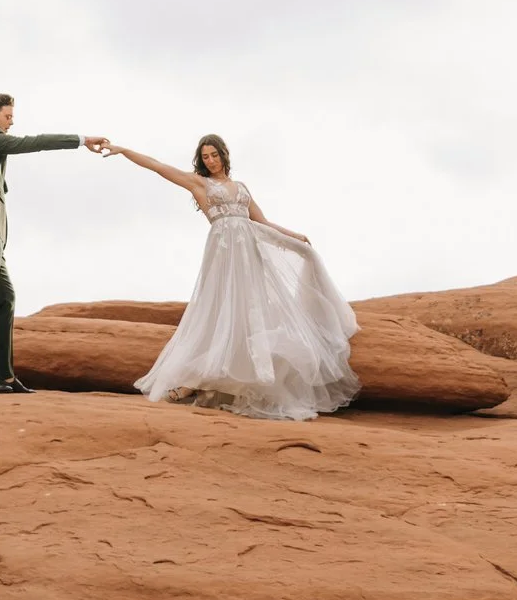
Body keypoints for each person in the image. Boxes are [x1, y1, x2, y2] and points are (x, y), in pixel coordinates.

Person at [98, 133, 358, 420]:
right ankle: (192, 381)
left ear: (224, 155)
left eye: (214, 155)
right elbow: (158, 166)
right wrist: (123, 150)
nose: (210, 161)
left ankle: (238, 380)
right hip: (223, 254)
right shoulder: (199, 183)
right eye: (205, 157)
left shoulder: (242, 187)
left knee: (250, 313)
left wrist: (293, 235)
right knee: (220, 313)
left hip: (248, 254)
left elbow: (262, 222)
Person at [0, 93, 107, 395]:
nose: (11, 122)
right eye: (8, 116)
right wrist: (81, 140)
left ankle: (4, 376)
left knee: (5, 298)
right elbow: (33, 143)